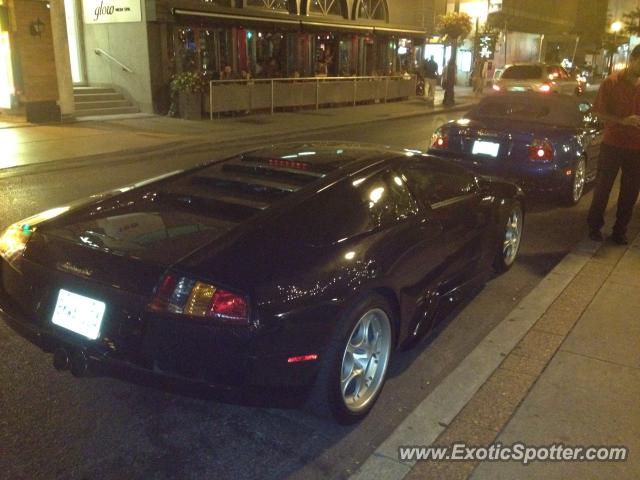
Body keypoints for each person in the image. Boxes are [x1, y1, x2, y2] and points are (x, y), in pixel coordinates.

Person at [587, 44, 640, 245]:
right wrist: (623, 120)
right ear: (633, 59)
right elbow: (598, 112)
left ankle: (620, 231)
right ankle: (594, 227)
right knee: (603, 188)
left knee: (630, 191)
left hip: (637, 148)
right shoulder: (612, 82)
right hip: (613, 144)